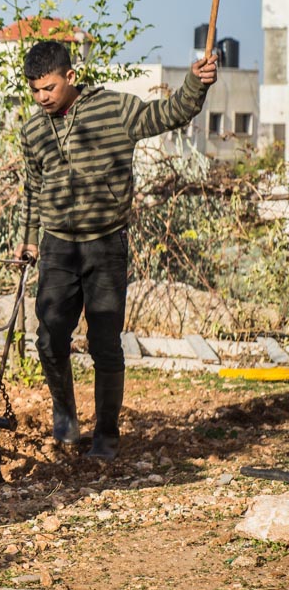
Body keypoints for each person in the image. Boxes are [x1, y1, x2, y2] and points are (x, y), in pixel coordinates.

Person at [15, 41, 217, 461]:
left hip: (106, 245)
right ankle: (65, 419)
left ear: (71, 77)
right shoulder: (33, 131)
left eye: (49, 88)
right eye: (35, 90)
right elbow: (32, 187)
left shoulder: (115, 109)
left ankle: (105, 436)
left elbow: (171, 113)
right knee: (49, 338)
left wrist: (195, 84)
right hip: (57, 248)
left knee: (104, 342)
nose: (42, 97)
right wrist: (28, 236)